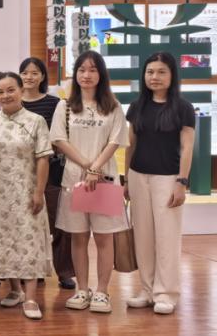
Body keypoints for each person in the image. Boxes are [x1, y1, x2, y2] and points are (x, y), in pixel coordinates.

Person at [50, 50, 128, 315]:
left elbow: (116, 141)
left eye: (92, 69)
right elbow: (59, 140)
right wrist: (87, 166)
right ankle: (82, 289)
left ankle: (102, 291)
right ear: (75, 74)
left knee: (105, 238)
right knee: (78, 237)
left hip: (104, 179)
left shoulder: (113, 106)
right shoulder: (64, 106)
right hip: (74, 180)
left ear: (101, 74)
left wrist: (95, 168)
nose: (86, 75)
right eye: (82, 69)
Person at [125, 52, 196, 315]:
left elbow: (187, 147)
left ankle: (166, 293)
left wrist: (181, 182)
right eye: (150, 72)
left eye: (161, 72)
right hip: (137, 176)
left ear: (172, 75)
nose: (154, 77)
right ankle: (147, 290)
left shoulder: (183, 108)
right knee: (142, 236)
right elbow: (130, 145)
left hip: (168, 178)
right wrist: (126, 180)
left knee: (167, 237)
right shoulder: (136, 107)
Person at [0, 72, 53, 321]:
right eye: (0, 92)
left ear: (21, 90)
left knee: (28, 239)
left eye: (10, 90)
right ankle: (15, 289)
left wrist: (39, 192)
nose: (5, 95)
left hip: (27, 189)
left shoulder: (35, 121)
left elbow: (43, 158)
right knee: (3, 239)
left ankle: (31, 297)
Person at [20, 56, 75, 289]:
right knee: (28, 223)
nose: (29, 77)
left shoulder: (55, 103)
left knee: (59, 221)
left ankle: (64, 271)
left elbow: (61, 136)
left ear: (43, 76)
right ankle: (34, 269)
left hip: (52, 170)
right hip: (21, 172)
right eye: (25, 72)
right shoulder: (13, 102)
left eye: (35, 73)